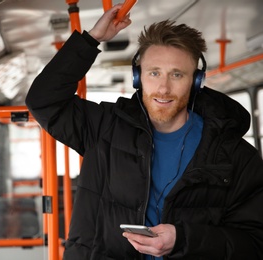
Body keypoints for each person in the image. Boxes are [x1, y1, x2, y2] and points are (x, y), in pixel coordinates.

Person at [25, 4, 263, 260]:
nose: (163, 88)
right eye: (154, 73)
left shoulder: (235, 155)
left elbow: (255, 243)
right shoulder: (105, 127)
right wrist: (91, 39)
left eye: (177, 75)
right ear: (138, 78)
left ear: (196, 81)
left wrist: (183, 239)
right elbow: (43, 100)